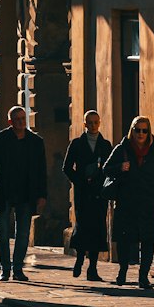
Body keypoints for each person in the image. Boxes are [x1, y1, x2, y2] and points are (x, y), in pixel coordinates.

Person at [0, 106, 47, 283]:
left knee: (23, 233)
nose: (21, 122)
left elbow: (41, 171)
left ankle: (18, 269)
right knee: (3, 232)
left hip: (26, 193)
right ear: (10, 122)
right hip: (4, 192)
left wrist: (42, 194)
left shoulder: (36, 142)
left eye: (23, 119)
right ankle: (5, 269)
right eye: (17, 119)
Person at [104, 115, 154, 290]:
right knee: (125, 240)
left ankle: (143, 277)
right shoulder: (121, 149)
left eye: (144, 130)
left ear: (148, 132)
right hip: (127, 203)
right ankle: (123, 270)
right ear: (132, 131)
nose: (141, 134)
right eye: (137, 130)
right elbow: (106, 169)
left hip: (148, 204)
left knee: (148, 241)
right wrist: (119, 167)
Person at [63, 110, 112, 281]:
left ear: (99, 123)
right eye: (89, 123)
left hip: (99, 193)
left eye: (95, 122)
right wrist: (80, 179)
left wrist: (102, 181)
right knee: (82, 226)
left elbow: (109, 168)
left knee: (98, 227)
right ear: (84, 124)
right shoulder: (76, 144)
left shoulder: (105, 145)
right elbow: (67, 167)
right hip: (83, 192)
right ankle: (79, 259)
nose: (92, 126)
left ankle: (92, 268)